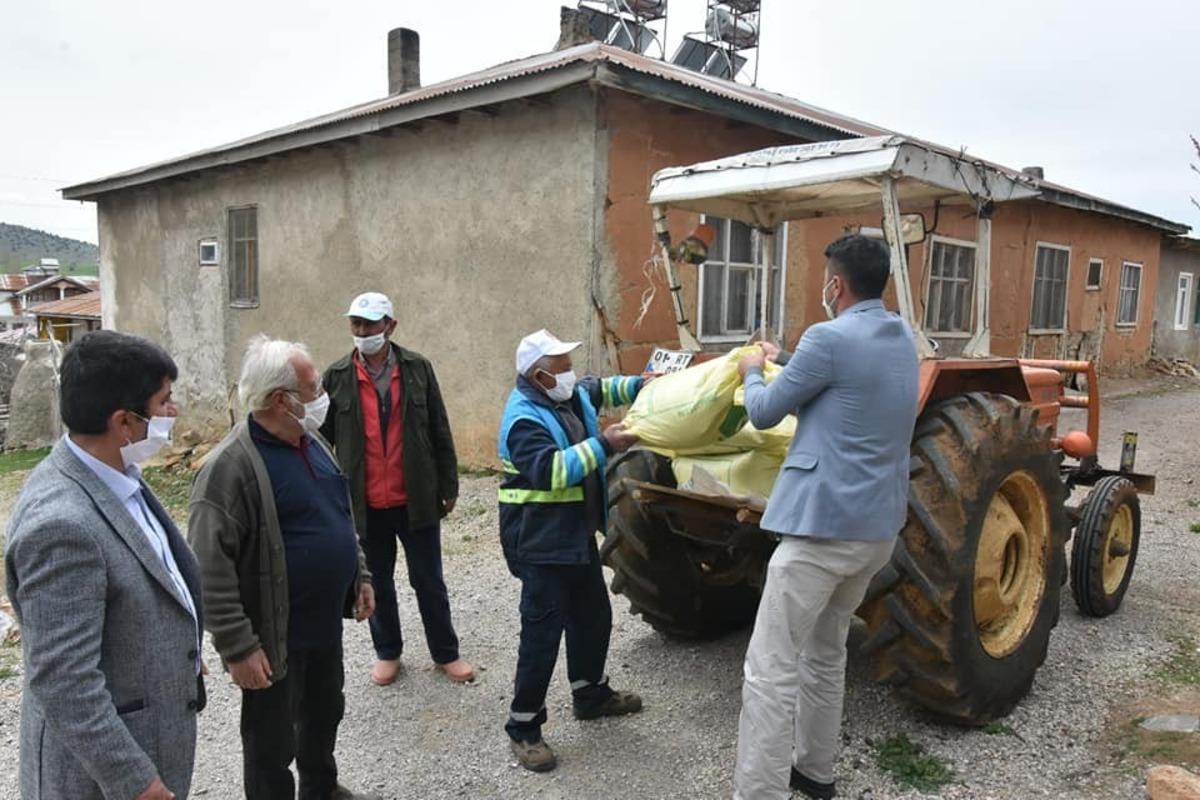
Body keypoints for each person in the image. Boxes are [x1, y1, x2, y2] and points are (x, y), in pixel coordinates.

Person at [732, 234, 920, 800]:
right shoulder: (901, 335)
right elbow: (843, 375)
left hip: (820, 532)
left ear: (835, 284)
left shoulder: (826, 337)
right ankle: (815, 773)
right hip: (875, 531)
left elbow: (764, 413)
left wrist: (750, 369)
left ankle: (758, 792)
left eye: (825, 280)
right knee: (825, 652)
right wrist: (784, 360)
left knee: (769, 670)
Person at [5, 331, 203, 800]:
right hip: (99, 781)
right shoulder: (62, 527)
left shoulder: (115, 477)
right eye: (164, 401)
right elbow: (63, 681)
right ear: (125, 422)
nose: (173, 414)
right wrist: (136, 782)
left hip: (151, 735)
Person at [188, 335, 379, 800]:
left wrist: (361, 575)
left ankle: (320, 788)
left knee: (324, 713)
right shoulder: (230, 468)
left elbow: (339, 515)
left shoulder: (310, 440)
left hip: (320, 627)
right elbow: (209, 568)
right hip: (272, 639)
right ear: (281, 400)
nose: (322, 397)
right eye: (314, 389)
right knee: (270, 743)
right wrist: (237, 647)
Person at [497, 328, 648, 773]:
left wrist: (646, 383)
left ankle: (590, 694)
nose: (570, 372)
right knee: (542, 635)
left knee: (593, 616)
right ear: (539, 375)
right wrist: (606, 444)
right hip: (540, 543)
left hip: (574, 535)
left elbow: (604, 388)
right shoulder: (523, 418)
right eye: (561, 366)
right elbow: (552, 471)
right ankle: (523, 727)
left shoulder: (566, 395)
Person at [320, 292, 472, 686]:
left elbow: (439, 428)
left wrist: (448, 484)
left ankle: (446, 653)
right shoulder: (336, 377)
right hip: (366, 502)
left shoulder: (418, 369)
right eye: (356, 324)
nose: (362, 331)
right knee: (376, 581)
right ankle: (388, 652)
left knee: (429, 580)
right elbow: (321, 442)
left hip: (416, 497)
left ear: (390, 325)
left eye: (370, 324)